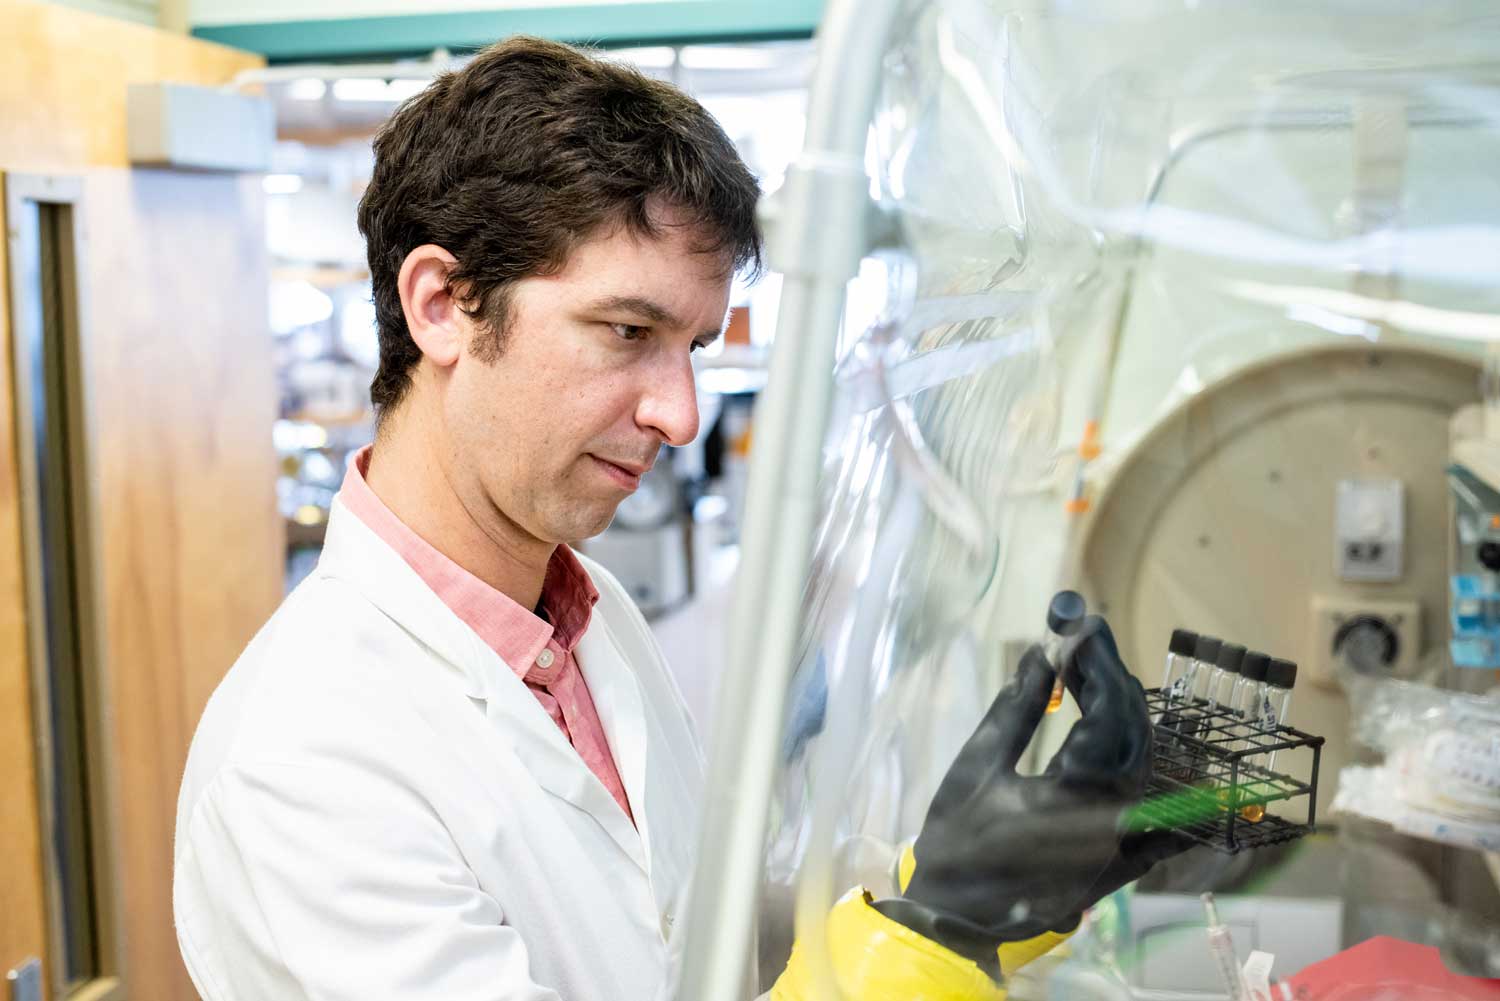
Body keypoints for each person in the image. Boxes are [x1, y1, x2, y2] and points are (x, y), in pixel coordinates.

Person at [173, 36, 1183, 1001]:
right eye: (626, 331)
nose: (681, 412)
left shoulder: (584, 614)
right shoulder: (304, 759)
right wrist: (934, 939)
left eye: (693, 345)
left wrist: (983, 885)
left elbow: (694, 950)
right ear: (443, 302)